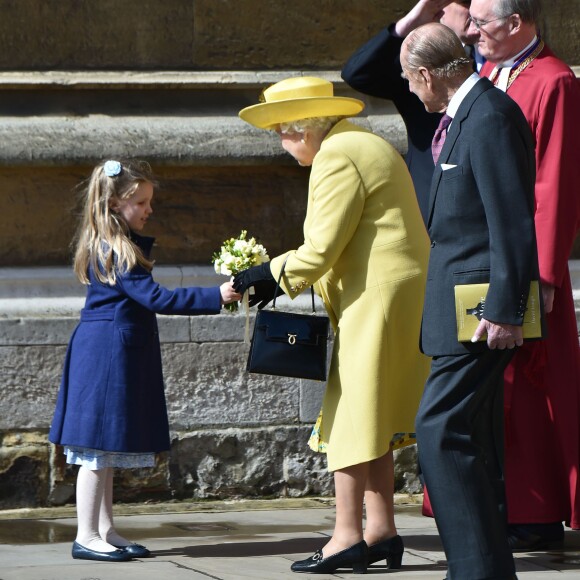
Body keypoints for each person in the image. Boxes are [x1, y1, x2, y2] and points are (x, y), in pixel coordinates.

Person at [234, 76, 431, 574]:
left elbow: (321, 250)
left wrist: (258, 279)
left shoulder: (336, 155)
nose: (280, 141)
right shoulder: (361, 142)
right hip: (392, 294)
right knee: (375, 417)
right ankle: (381, 530)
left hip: (378, 299)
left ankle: (345, 537)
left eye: (281, 130)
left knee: (349, 418)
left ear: (304, 128)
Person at [48, 159, 241, 562]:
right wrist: (215, 296)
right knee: (96, 452)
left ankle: (104, 530)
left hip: (108, 351)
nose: (149, 209)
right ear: (116, 204)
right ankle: (86, 535)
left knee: (105, 450)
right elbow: (159, 299)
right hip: (105, 357)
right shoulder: (116, 249)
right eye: (141, 202)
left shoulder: (111, 244)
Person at [400, 22, 538, 578]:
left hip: (481, 311)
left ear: (428, 74)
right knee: (472, 440)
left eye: (411, 81)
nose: (411, 91)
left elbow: (512, 219)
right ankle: (484, 569)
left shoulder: (490, 114)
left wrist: (505, 308)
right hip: (462, 307)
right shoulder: (466, 113)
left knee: (438, 432)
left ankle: (474, 570)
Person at [467, 0, 580, 550]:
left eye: (482, 21)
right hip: (481, 256)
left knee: (530, 393)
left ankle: (534, 510)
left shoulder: (554, 81)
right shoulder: (488, 70)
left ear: (517, 24)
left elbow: (554, 184)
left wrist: (543, 276)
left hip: (528, 266)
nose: (471, 30)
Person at [342, 0, 481, 223]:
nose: (476, 9)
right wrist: (408, 24)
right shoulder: (422, 67)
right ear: (440, 8)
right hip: (427, 209)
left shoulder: (504, 61)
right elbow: (357, 74)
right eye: (466, 2)